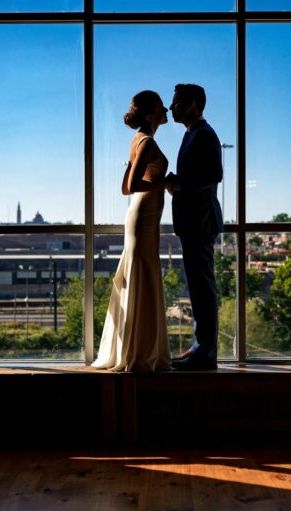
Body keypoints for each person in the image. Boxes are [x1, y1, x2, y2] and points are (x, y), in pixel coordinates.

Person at [92, 91, 171, 372]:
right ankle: (140, 351)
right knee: (144, 273)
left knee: (142, 273)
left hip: (141, 213)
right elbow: (130, 186)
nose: (167, 111)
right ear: (151, 115)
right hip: (144, 214)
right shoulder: (147, 142)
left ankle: (136, 347)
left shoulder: (138, 140)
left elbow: (127, 185)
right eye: (162, 107)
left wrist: (158, 183)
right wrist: (163, 184)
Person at [165, 84, 223, 371]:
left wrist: (178, 184)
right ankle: (201, 347)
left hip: (199, 221)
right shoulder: (193, 134)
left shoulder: (204, 134)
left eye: (176, 103)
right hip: (194, 221)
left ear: (193, 104)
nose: (171, 107)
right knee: (198, 288)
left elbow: (214, 174)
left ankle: (206, 352)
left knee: (203, 287)